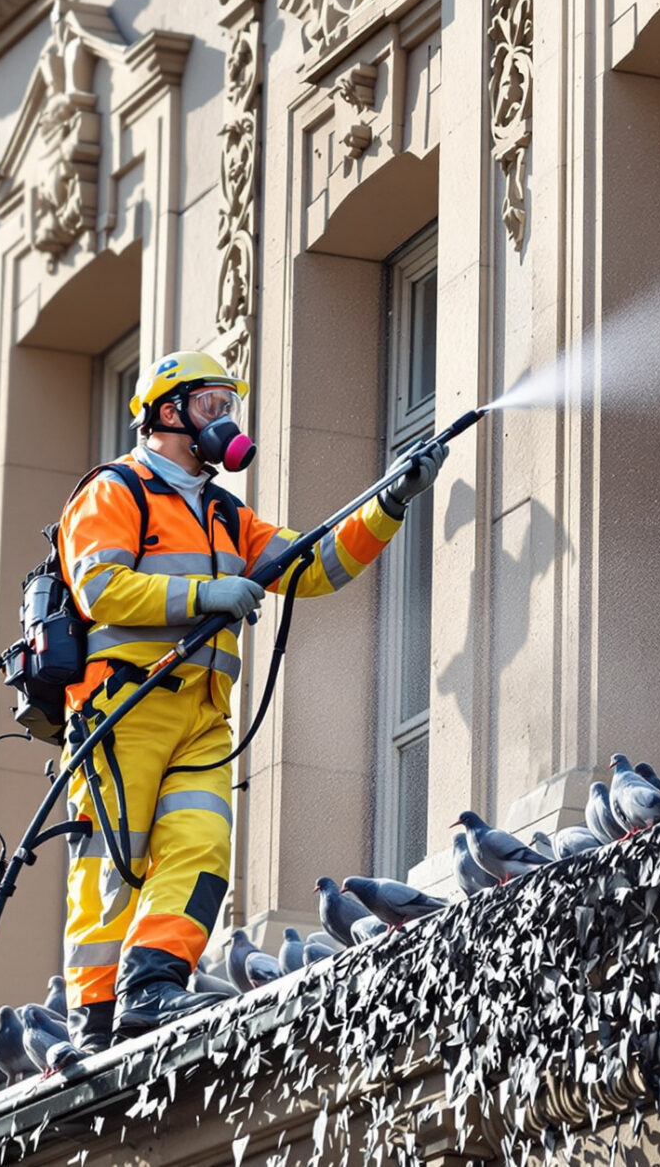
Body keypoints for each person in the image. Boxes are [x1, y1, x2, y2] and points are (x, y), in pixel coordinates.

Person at [55, 350, 445, 1048]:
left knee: (202, 846)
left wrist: (389, 502)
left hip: (204, 714)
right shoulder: (115, 490)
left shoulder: (226, 514)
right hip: (124, 709)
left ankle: (152, 984)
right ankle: (94, 1014)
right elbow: (100, 587)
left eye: (228, 406)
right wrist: (207, 593)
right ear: (168, 413)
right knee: (114, 865)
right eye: (211, 405)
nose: (225, 420)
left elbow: (313, 563)